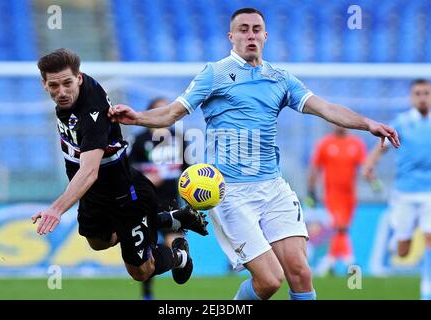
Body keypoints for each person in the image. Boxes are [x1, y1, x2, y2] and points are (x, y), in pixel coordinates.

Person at [109, 8, 399, 300]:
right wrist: (137, 117)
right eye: (244, 29)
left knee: (300, 272)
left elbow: (326, 108)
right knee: (271, 281)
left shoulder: (280, 78)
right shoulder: (215, 73)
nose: (251, 35)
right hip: (231, 193)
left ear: (265, 35)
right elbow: (172, 113)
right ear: (231, 36)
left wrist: (368, 124)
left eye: (256, 29)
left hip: (273, 188)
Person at [32, 48, 208, 286]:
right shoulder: (76, 92)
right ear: (44, 84)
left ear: (79, 78)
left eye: (67, 83)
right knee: (98, 242)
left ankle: (178, 256)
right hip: (93, 193)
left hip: (124, 195)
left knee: (141, 271)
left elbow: (90, 171)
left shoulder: (91, 114)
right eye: (54, 86)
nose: (62, 92)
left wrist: (56, 208)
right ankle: (168, 218)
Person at [363, 79, 431, 300]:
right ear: (412, 97)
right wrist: (370, 164)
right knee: (403, 250)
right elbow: (382, 146)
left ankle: (427, 289)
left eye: (426, 93)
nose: (422, 97)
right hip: (405, 192)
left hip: (429, 191)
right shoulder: (401, 122)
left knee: (430, 238)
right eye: (418, 93)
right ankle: (398, 240)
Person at [128, 97, 191, 299]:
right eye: (158, 110)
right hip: (146, 203)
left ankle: (179, 262)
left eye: (167, 110)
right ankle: (147, 294)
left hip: (172, 202)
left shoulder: (179, 139)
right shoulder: (139, 140)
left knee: (177, 243)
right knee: (147, 250)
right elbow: (127, 172)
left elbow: (190, 170)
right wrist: (145, 179)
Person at [307, 125, 367, 275]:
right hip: (332, 194)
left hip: (350, 195)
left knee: (342, 228)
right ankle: (350, 261)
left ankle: (329, 262)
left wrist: (372, 180)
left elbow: (365, 166)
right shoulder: (325, 144)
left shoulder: (356, 144)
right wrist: (311, 191)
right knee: (340, 227)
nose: (340, 125)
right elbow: (315, 167)